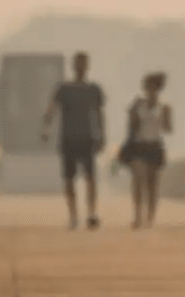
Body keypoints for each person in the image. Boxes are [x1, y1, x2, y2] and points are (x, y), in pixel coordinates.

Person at [42, 52, 106, 230]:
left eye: (82, 64)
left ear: (87, 67)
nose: (80, 67)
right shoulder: (64, 88)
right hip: (69, 137)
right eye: (77, 64)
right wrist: (46, 128)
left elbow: (99, 114)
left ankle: (92, 213)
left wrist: (102, 135)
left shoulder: (94, 89)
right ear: (73, 66)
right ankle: (73, 215)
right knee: (69, 179)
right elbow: (51, 109)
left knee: (90, 178)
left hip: (87, 137)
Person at [119, 72, 172, 229]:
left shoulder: (164, 107)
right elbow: (130, 126)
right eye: (147, 87)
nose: (150, 91)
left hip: (154, 146)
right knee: (138, 180)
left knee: (152, 183)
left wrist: (164, 119)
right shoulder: (137, 105)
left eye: (153, 87)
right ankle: (137, 215)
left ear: (158, 88)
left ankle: (150, 216)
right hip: (138, 145)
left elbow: (168, 128)